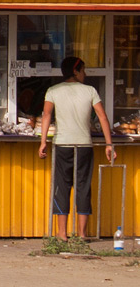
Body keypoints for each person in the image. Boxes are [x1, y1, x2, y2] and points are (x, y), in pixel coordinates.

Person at [38, 56, 115, 240]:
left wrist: (42, 142)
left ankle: (62, 234)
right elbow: (103, 117)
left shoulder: (53, 91)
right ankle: (82, 234)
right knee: (83, 187)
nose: (85, 74)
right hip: (83, 145)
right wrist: (109, 144)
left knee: (62, 187)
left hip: (62, 145)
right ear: (76, 71)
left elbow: (46, 115)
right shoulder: (90, 91)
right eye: (83, 70)